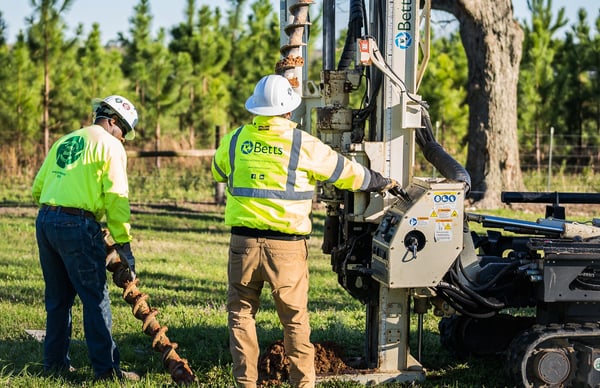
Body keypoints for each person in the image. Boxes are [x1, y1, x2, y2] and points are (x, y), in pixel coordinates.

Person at [211, 74, 400, 388]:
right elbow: (346, 173)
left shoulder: (233, 140)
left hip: (242, 245)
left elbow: (219, 170)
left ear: (256, 109)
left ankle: (245, 383)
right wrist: (381, 181)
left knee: (241, 314)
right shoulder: (302, 143)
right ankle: (303, 384)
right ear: (289, 111)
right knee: (294, 320)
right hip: (285, 249)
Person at [32, 95, 140, 381]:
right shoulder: (110, 145)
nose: (124, 139)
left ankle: (54, 365)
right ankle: (107, 371)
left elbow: (37, 187)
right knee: (95, 299)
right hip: (77, 225)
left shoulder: (65, 140)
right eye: (124, 132)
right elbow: (117, 199)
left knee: (57, 299)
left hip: (45, 220)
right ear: (114, 122)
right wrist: (124, 245)